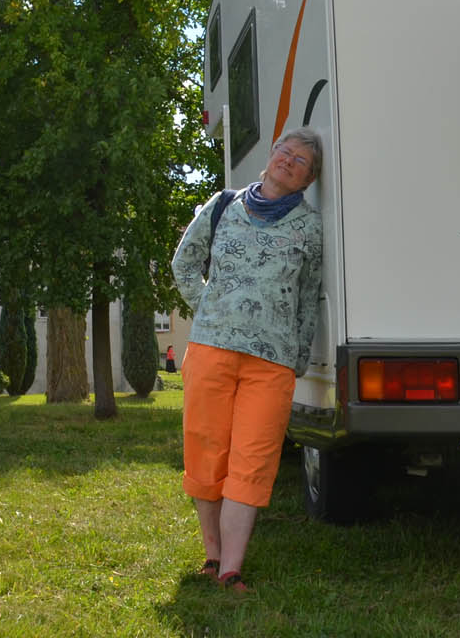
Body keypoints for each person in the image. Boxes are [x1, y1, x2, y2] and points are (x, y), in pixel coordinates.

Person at [170, 127, 324, 595]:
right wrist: (209, 309)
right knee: (206, 451)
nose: (289, 161)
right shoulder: (223, 205)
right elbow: (184, 262)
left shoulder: (309, 226)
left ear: (308, 179)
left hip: (271, 363)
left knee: (252, 461)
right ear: (271, 156)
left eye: (301, 161)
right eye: (285, 151)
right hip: (211, 350)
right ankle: (212, 556)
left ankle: (231, 569)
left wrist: (297, 355)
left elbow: (308, 297)